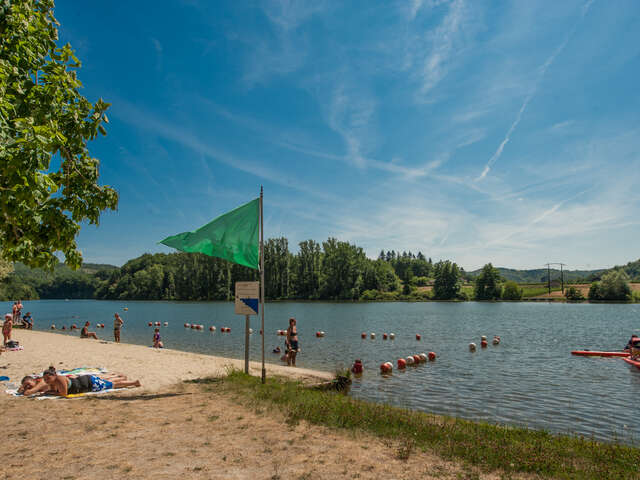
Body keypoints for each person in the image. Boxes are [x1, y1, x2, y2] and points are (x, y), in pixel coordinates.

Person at [42, 366, 140, 395]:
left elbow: (63, 394)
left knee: (113, 385)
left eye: (48, 378)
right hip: (86, 381)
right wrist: (50, 391)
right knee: (107, 381)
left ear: (54, 375)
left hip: (90, 384)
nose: (46, 381)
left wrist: (50, 393)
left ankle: (134, 382)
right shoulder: (54, 381)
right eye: (45, 379)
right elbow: (55, 391)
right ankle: (122, 378)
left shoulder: (59, 379)